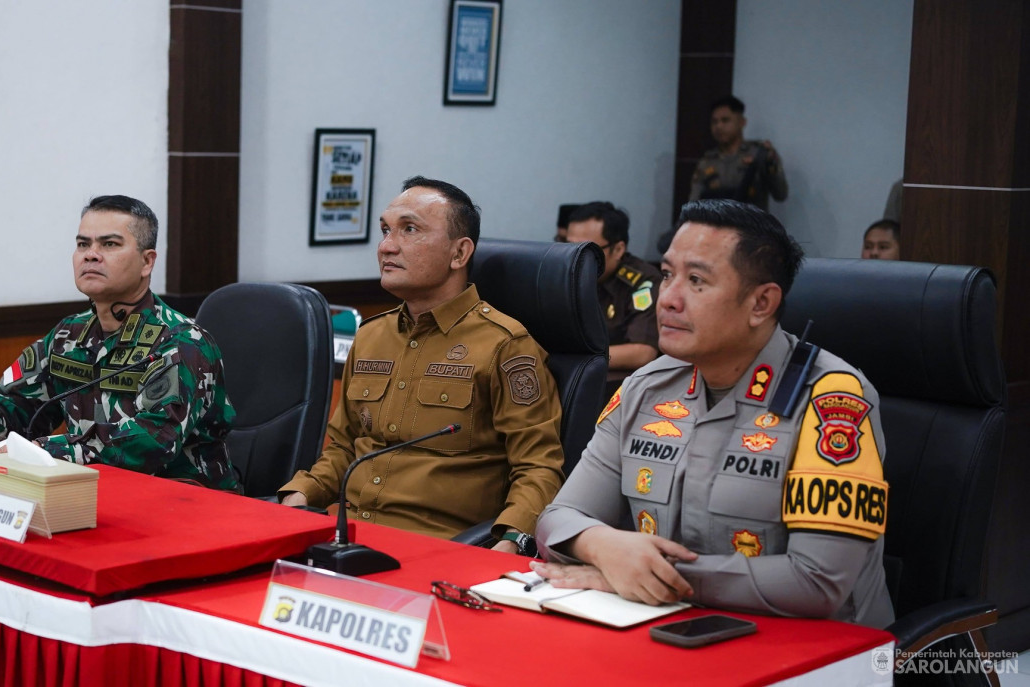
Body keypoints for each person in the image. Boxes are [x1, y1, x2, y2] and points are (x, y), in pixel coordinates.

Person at [534, 199, 893, 628]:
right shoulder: (646, 387)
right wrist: (602, 548)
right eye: (667, 275)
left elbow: (818, 582)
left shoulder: (832, 401)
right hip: (671, 629)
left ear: (761, 303)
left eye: (697, 280)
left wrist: (650, 576)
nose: (667, 299)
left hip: (814, 652)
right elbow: (558, 518)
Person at [279, 176, 565, 555]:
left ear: (459, 254)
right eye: (385, 230)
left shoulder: (505, 345)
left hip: (438, 548)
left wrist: (512, 540)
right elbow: (344, 447)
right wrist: (299, 496)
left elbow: (538, 468)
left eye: (409, 230)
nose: (386, 246)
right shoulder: (371, 336)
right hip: (347, 538)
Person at [0, 195, 240, 491]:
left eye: (109, 244)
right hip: (93, 493)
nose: (91, 254)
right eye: (83, 244)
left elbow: (153, 441)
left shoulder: (181, 342)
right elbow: (22, 404)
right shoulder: (70, 333)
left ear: (147, 262)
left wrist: (50, 450)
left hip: (186, 501)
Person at [566, 202, 660, 375]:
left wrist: (582, 359)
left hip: (617, 382)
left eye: (585, 250)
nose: (574, 257)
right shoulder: (563, 273)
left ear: (617, 249)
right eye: (569, 247)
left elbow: (642, 352)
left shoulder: (642, 281)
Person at [689, 96, 788, 211]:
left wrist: (770, 162)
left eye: (725, 120)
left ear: (742, 122)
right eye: (714, 122)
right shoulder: (707, 161)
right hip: (718, 226)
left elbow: (781, 194)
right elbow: (694, 204)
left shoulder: (759, 154)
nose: (719, 126)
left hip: (751, 225)